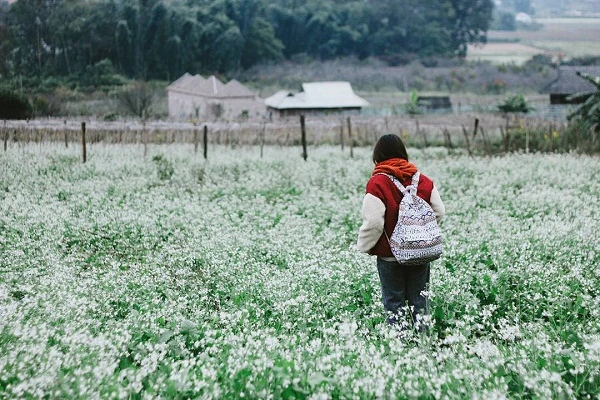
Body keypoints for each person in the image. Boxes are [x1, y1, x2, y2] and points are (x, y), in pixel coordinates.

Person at [357, 134, 445, 331]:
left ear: (378, 155)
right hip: (420, 254)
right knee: (420, 302)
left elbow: (373, 223)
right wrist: (419, 231)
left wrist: (364, 246)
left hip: (390, 257)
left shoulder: (377, 183)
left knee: (394, 303)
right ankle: (423, 343)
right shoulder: (423, 180)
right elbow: (439, 211)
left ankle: (400, 349)